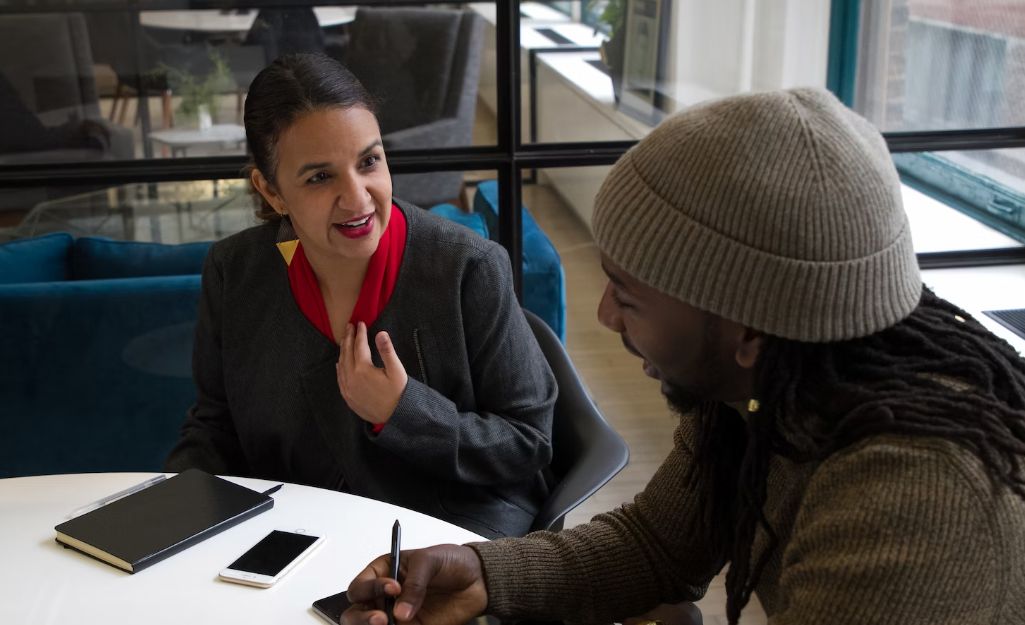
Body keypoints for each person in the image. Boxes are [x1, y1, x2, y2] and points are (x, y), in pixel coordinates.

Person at [342, 88, 1025, 624]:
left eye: (628, 296)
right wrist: (485, 573)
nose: (605, 315)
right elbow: (657, 544)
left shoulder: (913, 501)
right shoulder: (758, 389)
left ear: (748, 326)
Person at [164, 53, 556, 539]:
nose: (357, 198)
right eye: (319, 177)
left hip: (447, 532)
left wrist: (403, 411)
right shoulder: (234, 272)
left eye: (369, 162)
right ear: (271, 191)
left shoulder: (469, 268)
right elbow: (213, 428)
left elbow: (528, 443)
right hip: (296, 535)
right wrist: (169, 513)